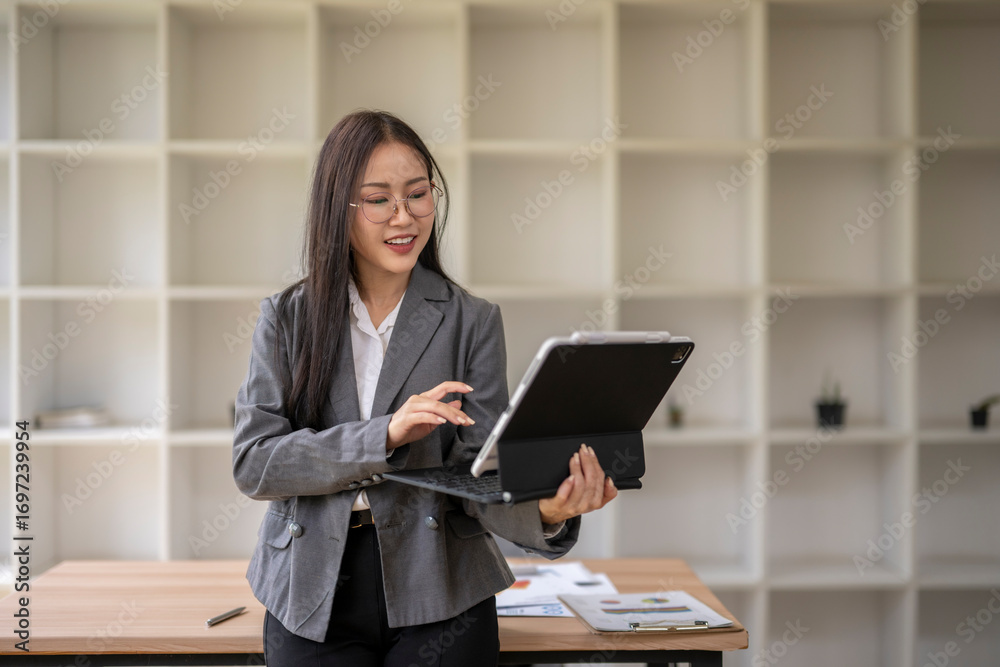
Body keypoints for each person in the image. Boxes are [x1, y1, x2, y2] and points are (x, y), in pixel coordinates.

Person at [232, 109, 617, 666]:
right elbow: (255, 462)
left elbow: (480, 474)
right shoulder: (288, 317)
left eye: (417, 194)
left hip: (440, 584)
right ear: (337, 208)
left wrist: (550, 514)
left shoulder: (471, 320)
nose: (403, 216)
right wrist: (382, 435)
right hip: (310, 586)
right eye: (379, 199)